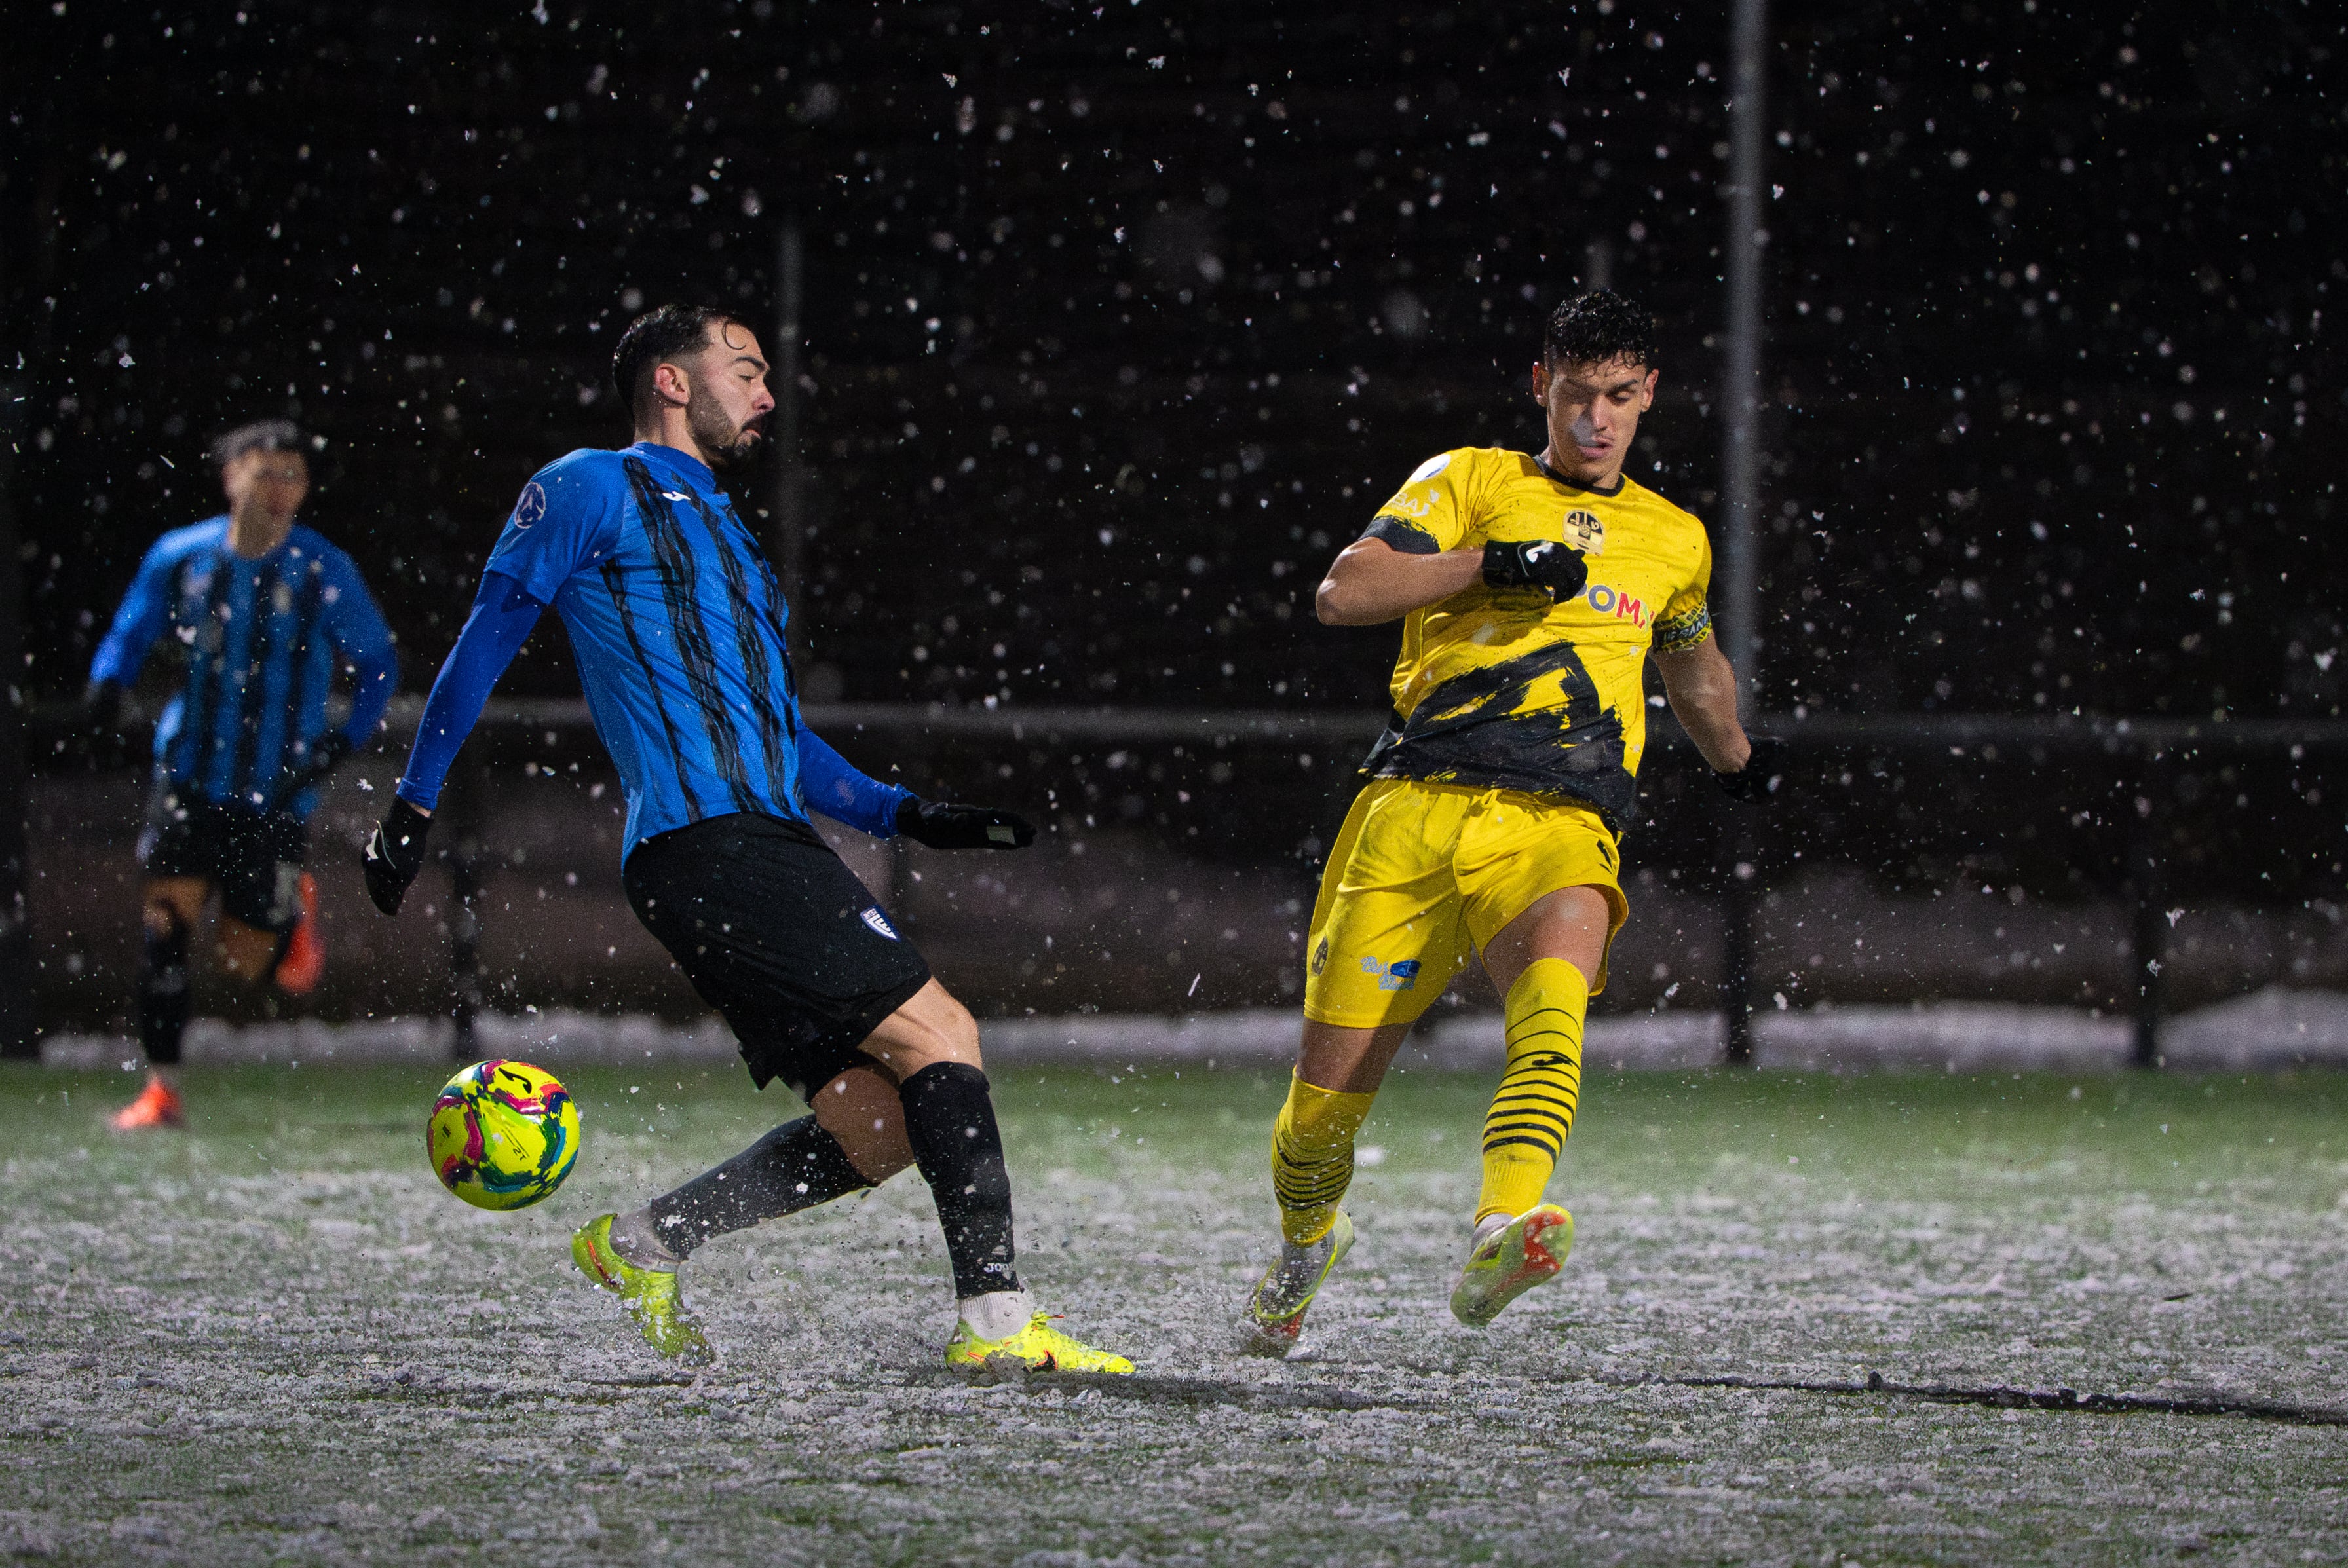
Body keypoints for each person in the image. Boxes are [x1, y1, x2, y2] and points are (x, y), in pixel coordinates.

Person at [363, 303, 1132, 1376]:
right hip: (705, 841)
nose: (766, 392)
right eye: (745, 370)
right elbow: (481, 640)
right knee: (940, 1032)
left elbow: (778, 737)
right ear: (672, 382)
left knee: (881, 1127)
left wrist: (900, 811)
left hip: (746, 839)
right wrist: (412, 801)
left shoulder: (727, 531)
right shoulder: (589, 484)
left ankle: (644, 1242)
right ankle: (997, 1326)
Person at [1240, 288, 1784, 1353]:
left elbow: (1692, 666)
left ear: (1646, 397)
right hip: (1409, 813)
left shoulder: (1672, 538)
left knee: (1552, 1008)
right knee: (1319, 1114)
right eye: (1576, 394)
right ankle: (1305, 1238)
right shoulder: (1467, 478)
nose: (1595, 419)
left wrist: (1738, 764)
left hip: (1559, 818)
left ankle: (1503, 1222)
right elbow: (1344, 592)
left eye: (1617, 397)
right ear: (1540, 386)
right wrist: (1487, 564)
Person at [85, 420, 399, 1130]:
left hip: (279, 788)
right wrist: (108, 682)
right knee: (164, 931)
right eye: (266, 472)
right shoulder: (182, 557)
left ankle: (292, 915)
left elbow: (379, 662)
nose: (280, 488)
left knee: (248, 962)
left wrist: (341, 739)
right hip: (189, 775)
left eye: (293, 475)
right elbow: (130, 630)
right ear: (232, 479)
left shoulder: (321, 568)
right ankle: (161, 1089)